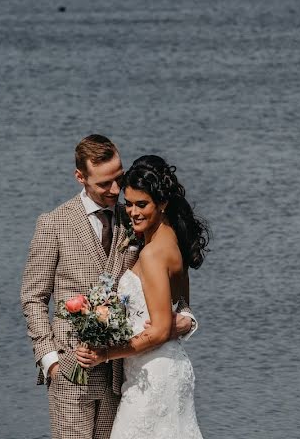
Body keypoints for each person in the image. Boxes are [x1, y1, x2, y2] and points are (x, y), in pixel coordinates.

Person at [21, 136, 198, 439]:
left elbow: (165, 285)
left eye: (119, 178)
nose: (115, 191)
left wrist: (186, 319)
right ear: (81, 177)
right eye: (105, 184)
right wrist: (50, 360)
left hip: (123, 376)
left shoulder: (133, 217)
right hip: (72, 371)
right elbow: (33, 297)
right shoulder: (54, 224)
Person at [76, 155, 210, 439]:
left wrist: (105, 353)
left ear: (162, 203)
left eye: (142, 204)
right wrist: (185, 320)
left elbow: (160, 331)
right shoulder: (173, 240)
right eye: (129, 203)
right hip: (168, 368)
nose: (133, 212)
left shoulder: (151, 254)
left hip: (152, 377)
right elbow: (181, 304)